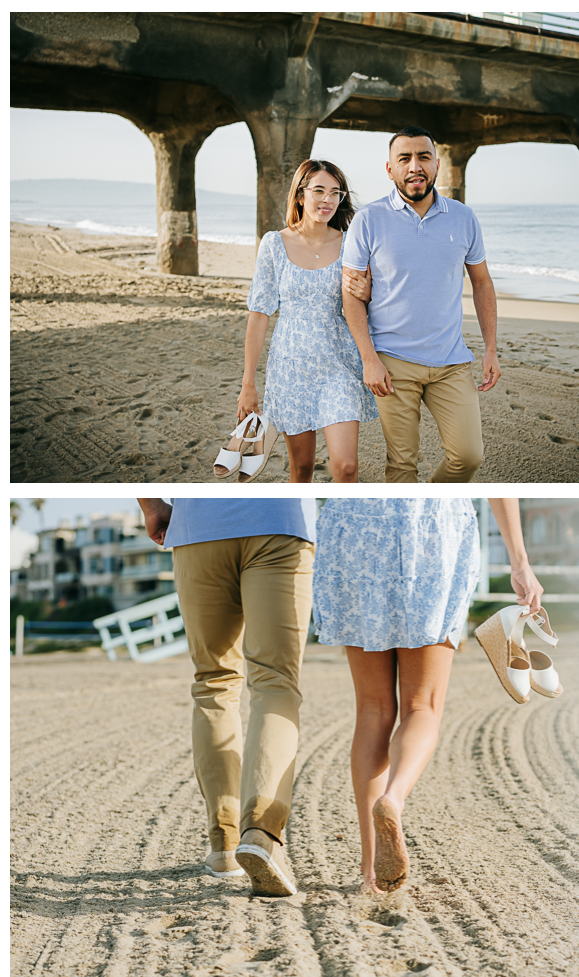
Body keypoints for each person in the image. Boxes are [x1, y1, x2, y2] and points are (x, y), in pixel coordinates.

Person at [311, 497, 542, 892]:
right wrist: (520, 562)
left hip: (353, 527)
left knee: (372, 708)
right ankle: (394, 798)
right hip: (433, 527)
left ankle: (371, 874)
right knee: (423, 706)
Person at [137, 497, 316, 896]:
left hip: (197, 529)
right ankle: (262, 832)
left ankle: (224, 844)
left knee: (214, 682)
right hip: (279, 524)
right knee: (274, 682)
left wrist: (151, 507)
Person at [341, 126, 500, 484]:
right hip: (392, 362)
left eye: (423, 157)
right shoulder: (368, 220)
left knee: (469, 457)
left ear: (437, 165)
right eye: (405, 158)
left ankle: (428, 501)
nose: (415, 166)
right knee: (401, 467)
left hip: (451, 362)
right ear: (390, 169)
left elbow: (482, 282)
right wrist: (369, 359)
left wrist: (491, 349)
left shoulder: (463, 218)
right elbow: (350, 292)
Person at [213, 160, 377, 484]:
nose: (327, 200)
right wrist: (248, 384)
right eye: (319, 190)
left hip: (338, 366)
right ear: (301, 195)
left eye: (336, 193)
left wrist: (370, 293)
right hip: (290, 369)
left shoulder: (350, 244)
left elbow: (365, 306)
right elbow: (259, 314)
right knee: (301, 470)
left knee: (346, 467)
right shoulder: (274, 244)